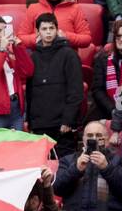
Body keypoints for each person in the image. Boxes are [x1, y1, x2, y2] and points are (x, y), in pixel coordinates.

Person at [54, 119, 122, 211]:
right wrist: (76, 169)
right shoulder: (68, 161)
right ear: (84, 139)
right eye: (90, 136)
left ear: (107, 140)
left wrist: (106, 168)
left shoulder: (118, 161)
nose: (94, 139)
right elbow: (58, 189)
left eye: (98, 136)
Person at [24, 13, 85, 146]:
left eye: (51, 28)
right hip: (40, 124)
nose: (48, 32)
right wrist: (30, 122)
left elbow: (76, 90)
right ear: (37, 32)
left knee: (64, 163)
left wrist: (68, 120)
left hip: (62, 125)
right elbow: (30, 92)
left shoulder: (69, 55)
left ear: (57, 30)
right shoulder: (33, 57)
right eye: (44, 29)